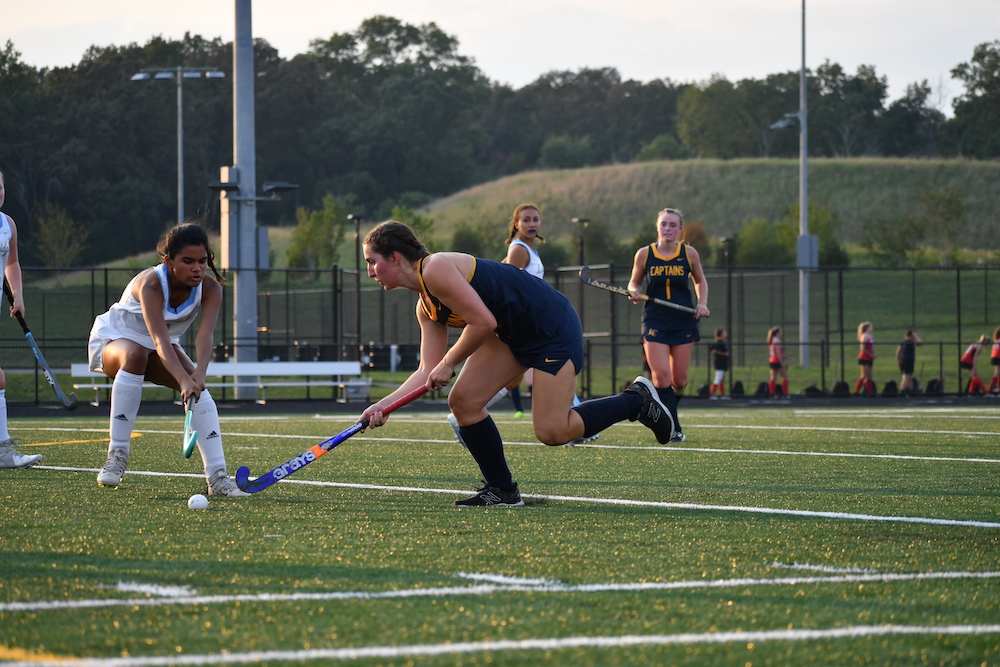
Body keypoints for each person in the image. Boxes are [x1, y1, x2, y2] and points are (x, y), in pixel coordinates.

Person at [360, 221, 675, 507]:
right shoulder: (425, 307)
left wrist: (450, 362)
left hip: (550, 325)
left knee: (553, 431)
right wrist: (383, 406)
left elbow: (482, 322)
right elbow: (427, 370)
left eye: (373, 262)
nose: (371, 271)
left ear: (396, 257)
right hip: (511, 334)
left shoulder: (435, 268)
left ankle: (636, 402)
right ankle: (502, 490)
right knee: (464, 402)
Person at [88, 223, 248, 496]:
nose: (197, 268)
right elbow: (158, 339)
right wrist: (183, 379)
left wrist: (198, 374)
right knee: (136, 355)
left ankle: (218, 478)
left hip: (161, 346)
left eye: (202, 261)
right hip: (115, 341)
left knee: (201, 393)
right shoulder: (150, 283)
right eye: (188, 261)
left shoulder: (210, 289)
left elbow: (204, 335)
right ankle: (116, 457)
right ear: (168, 261)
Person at [626, 207, 709, 443]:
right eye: (664, 224)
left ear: (680, 229)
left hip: (683, 320)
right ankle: (673, 427)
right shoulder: (644, 254)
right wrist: (634, 292)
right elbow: (634, 282)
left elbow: (700, 281)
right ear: (657, 227)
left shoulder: (689, 253)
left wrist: (702, 303)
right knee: (661, 377)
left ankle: (664, 409)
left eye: (673, 225)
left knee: (679, 381)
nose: (668, 229)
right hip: (655, 320)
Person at [0, 169, 41, 470]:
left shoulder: (7, 224)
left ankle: (2, 451)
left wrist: (18, 296)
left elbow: (11, 262)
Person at [896, 329, 923, 396]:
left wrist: (899, 360)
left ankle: (911, 392)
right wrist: (916, 335)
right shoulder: (909, 342)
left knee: (910, 377)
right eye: (913, 336)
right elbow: (920, 342)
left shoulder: (903, 342)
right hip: (907, 360)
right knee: (906, 377)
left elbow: (897, 352)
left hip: (905, 361)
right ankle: (902, 392)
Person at [854, 321, 876, 396]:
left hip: (869, 358)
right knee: (864, 375)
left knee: (869, 376)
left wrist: (872, 355)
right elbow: (863, 348)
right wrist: (870, 355)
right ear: (867, 328)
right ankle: (856, 392)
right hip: (865, 358)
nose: (871, 328)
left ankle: (870, 392)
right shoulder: (864, 336)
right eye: (870, 327)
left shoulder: (869, 336)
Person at [766, 326, 788, 397]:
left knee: (773, 377)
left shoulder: (772, 340)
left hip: (772, 360)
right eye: (780, 332)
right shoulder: (777, 341)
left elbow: (776, 352)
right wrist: (782, 362)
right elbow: (778, 353)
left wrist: (783, 356)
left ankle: (772, 393)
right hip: (776, 361)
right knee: (784, 377)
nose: (781, 333)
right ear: (777, 333)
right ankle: (785, 394)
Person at [709, 328, 729, 398]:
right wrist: (724, 354)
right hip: (719, 363)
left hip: (723, 363)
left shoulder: (723, 342)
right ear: (721, 334)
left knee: (721, 379)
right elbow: (713, 350)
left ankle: (722, 395)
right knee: (718, 378)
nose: (726, 334)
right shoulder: (718, 343)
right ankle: (712, 394)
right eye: (724, 332)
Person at [989, 326, 1000, 395]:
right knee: (997, 373)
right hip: (998, 357)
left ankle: (993, 390)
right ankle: (990, 390)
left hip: (994, 357)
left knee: (997, 373)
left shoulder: (997, 339)